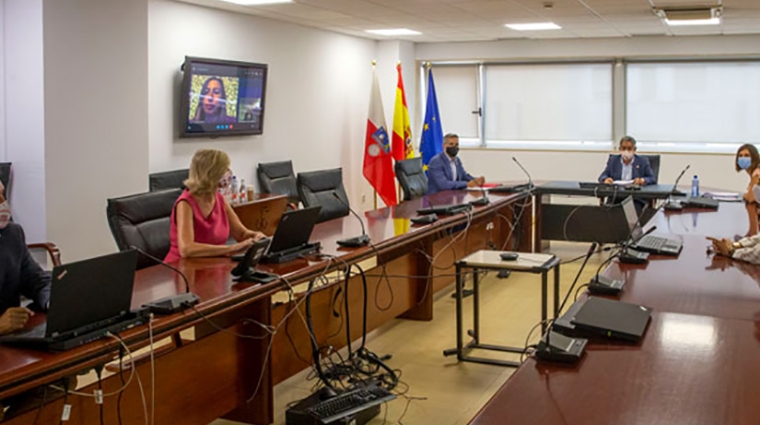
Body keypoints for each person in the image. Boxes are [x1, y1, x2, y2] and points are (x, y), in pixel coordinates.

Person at [164, 149, 264, 262]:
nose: (229, 173)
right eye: (224, 170)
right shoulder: (185, 203)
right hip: (182, 268)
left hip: (212, 264)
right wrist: (231, 248)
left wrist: (256, 236)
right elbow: (187, 249)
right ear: (211, 173)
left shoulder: (219, 199)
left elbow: (241, 233)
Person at [0, 178, 51, 335]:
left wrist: (55, 301)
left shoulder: (11, 235)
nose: (3, 202)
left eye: (2, 194)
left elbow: (38, 281)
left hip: (11, 344)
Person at [735, 143, 760, 236]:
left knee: (750, 204)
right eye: (740, 156)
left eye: (746, 155)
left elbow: (751, 198)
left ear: (754, 157)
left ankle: (750, 237)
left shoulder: (756, 174)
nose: (743, 158)